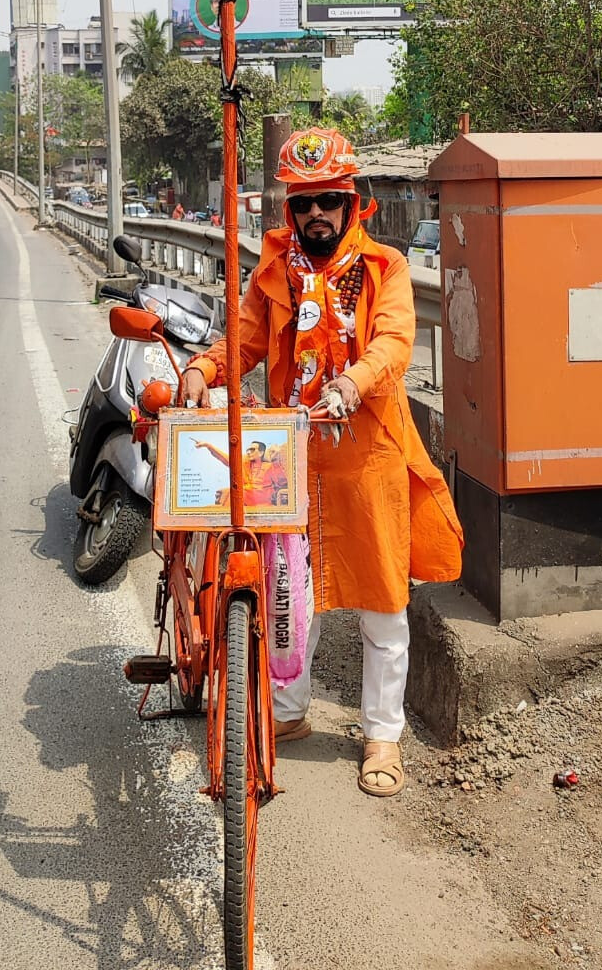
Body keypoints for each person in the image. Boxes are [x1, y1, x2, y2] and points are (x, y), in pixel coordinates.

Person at [181, 127, 463, 798]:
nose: (315, 215)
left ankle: (382, 736)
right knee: (285, 593)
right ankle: (287, 713)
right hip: (288, 456)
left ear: (349, 203)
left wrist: (349, 384)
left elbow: (395, 342)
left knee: (382, 603)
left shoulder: (386, 269)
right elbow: (244, 341)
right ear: (291, 211)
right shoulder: (273, 272)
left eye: (327, 202)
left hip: (367, 454)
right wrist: (203, 369)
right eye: (303, 203)